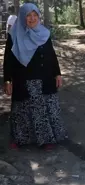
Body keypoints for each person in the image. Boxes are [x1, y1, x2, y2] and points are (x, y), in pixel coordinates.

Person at [3, 3, 67, 150]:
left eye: (35, 15)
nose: (32, 19)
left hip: (44, 78)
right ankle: (20, 139)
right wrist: (7, 80)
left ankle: (46, 139)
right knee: (21, 111)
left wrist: (57, 73)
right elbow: (8, 60)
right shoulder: (14, 35)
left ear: (38, 17)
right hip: (22, 79)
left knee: (43, 110)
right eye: (28, 15)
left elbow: (51, 55)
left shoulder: (44, 33)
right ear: (23, 17)